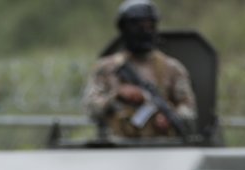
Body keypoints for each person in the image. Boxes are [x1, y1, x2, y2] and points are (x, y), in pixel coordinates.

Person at [83, 0, 197, 138]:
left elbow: (189, 110)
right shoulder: (106, 69)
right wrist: (117, 96)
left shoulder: (172, 68)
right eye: (138, 26)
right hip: (116, 149)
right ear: (125, 28)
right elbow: (90, 109)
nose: (145, 31)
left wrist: (170, 118)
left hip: (162, 148)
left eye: (149, 26)